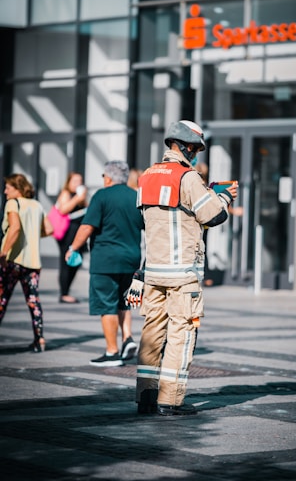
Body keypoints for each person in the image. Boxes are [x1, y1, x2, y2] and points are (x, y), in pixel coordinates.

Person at [135, 120, 238, 416]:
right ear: (187, 146)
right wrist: (225, 197)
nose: (196, 154)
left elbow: (145, 220)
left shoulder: (146, 175)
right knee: (181, 333)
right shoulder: (188, 177)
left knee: (152, 332)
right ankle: (170, 400)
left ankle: (146, 396)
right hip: (182, 273)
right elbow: (214, 216)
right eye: (196, 149)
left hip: (154, 270)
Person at [65, 161, 144, 367]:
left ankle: (112, 352)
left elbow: (87, 227)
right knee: (123, 301)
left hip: (106, 260)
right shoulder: (137, 196)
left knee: (107, 304)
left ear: (108, 177)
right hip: (132, 259)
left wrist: (73, 248)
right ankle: (127, 339)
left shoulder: (101, 196)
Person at [0, 174, 53, 352]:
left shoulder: (13, 204)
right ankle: (40, 339)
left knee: (2, 298)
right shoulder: (37, 205)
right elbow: (49, 229)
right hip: (33, 262)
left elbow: (14, 228)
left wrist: (3, 252)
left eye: (8, 187)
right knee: (33, 300)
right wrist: (31, 235)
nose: (5, 191)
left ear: (18, 188)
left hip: (13, 260)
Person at [56, 172, 88, 304]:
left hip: (78, 231)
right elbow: (63, 210)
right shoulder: (66, 193)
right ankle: (64, 293)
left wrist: (83, 198)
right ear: (68, 182)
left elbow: (87, 209)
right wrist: (77, 199)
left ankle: (66, 291)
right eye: (74, 181)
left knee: (77, 261)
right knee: (66, 262)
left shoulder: (81, 195)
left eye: (79, 181)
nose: (77, 184)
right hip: (67, 232)